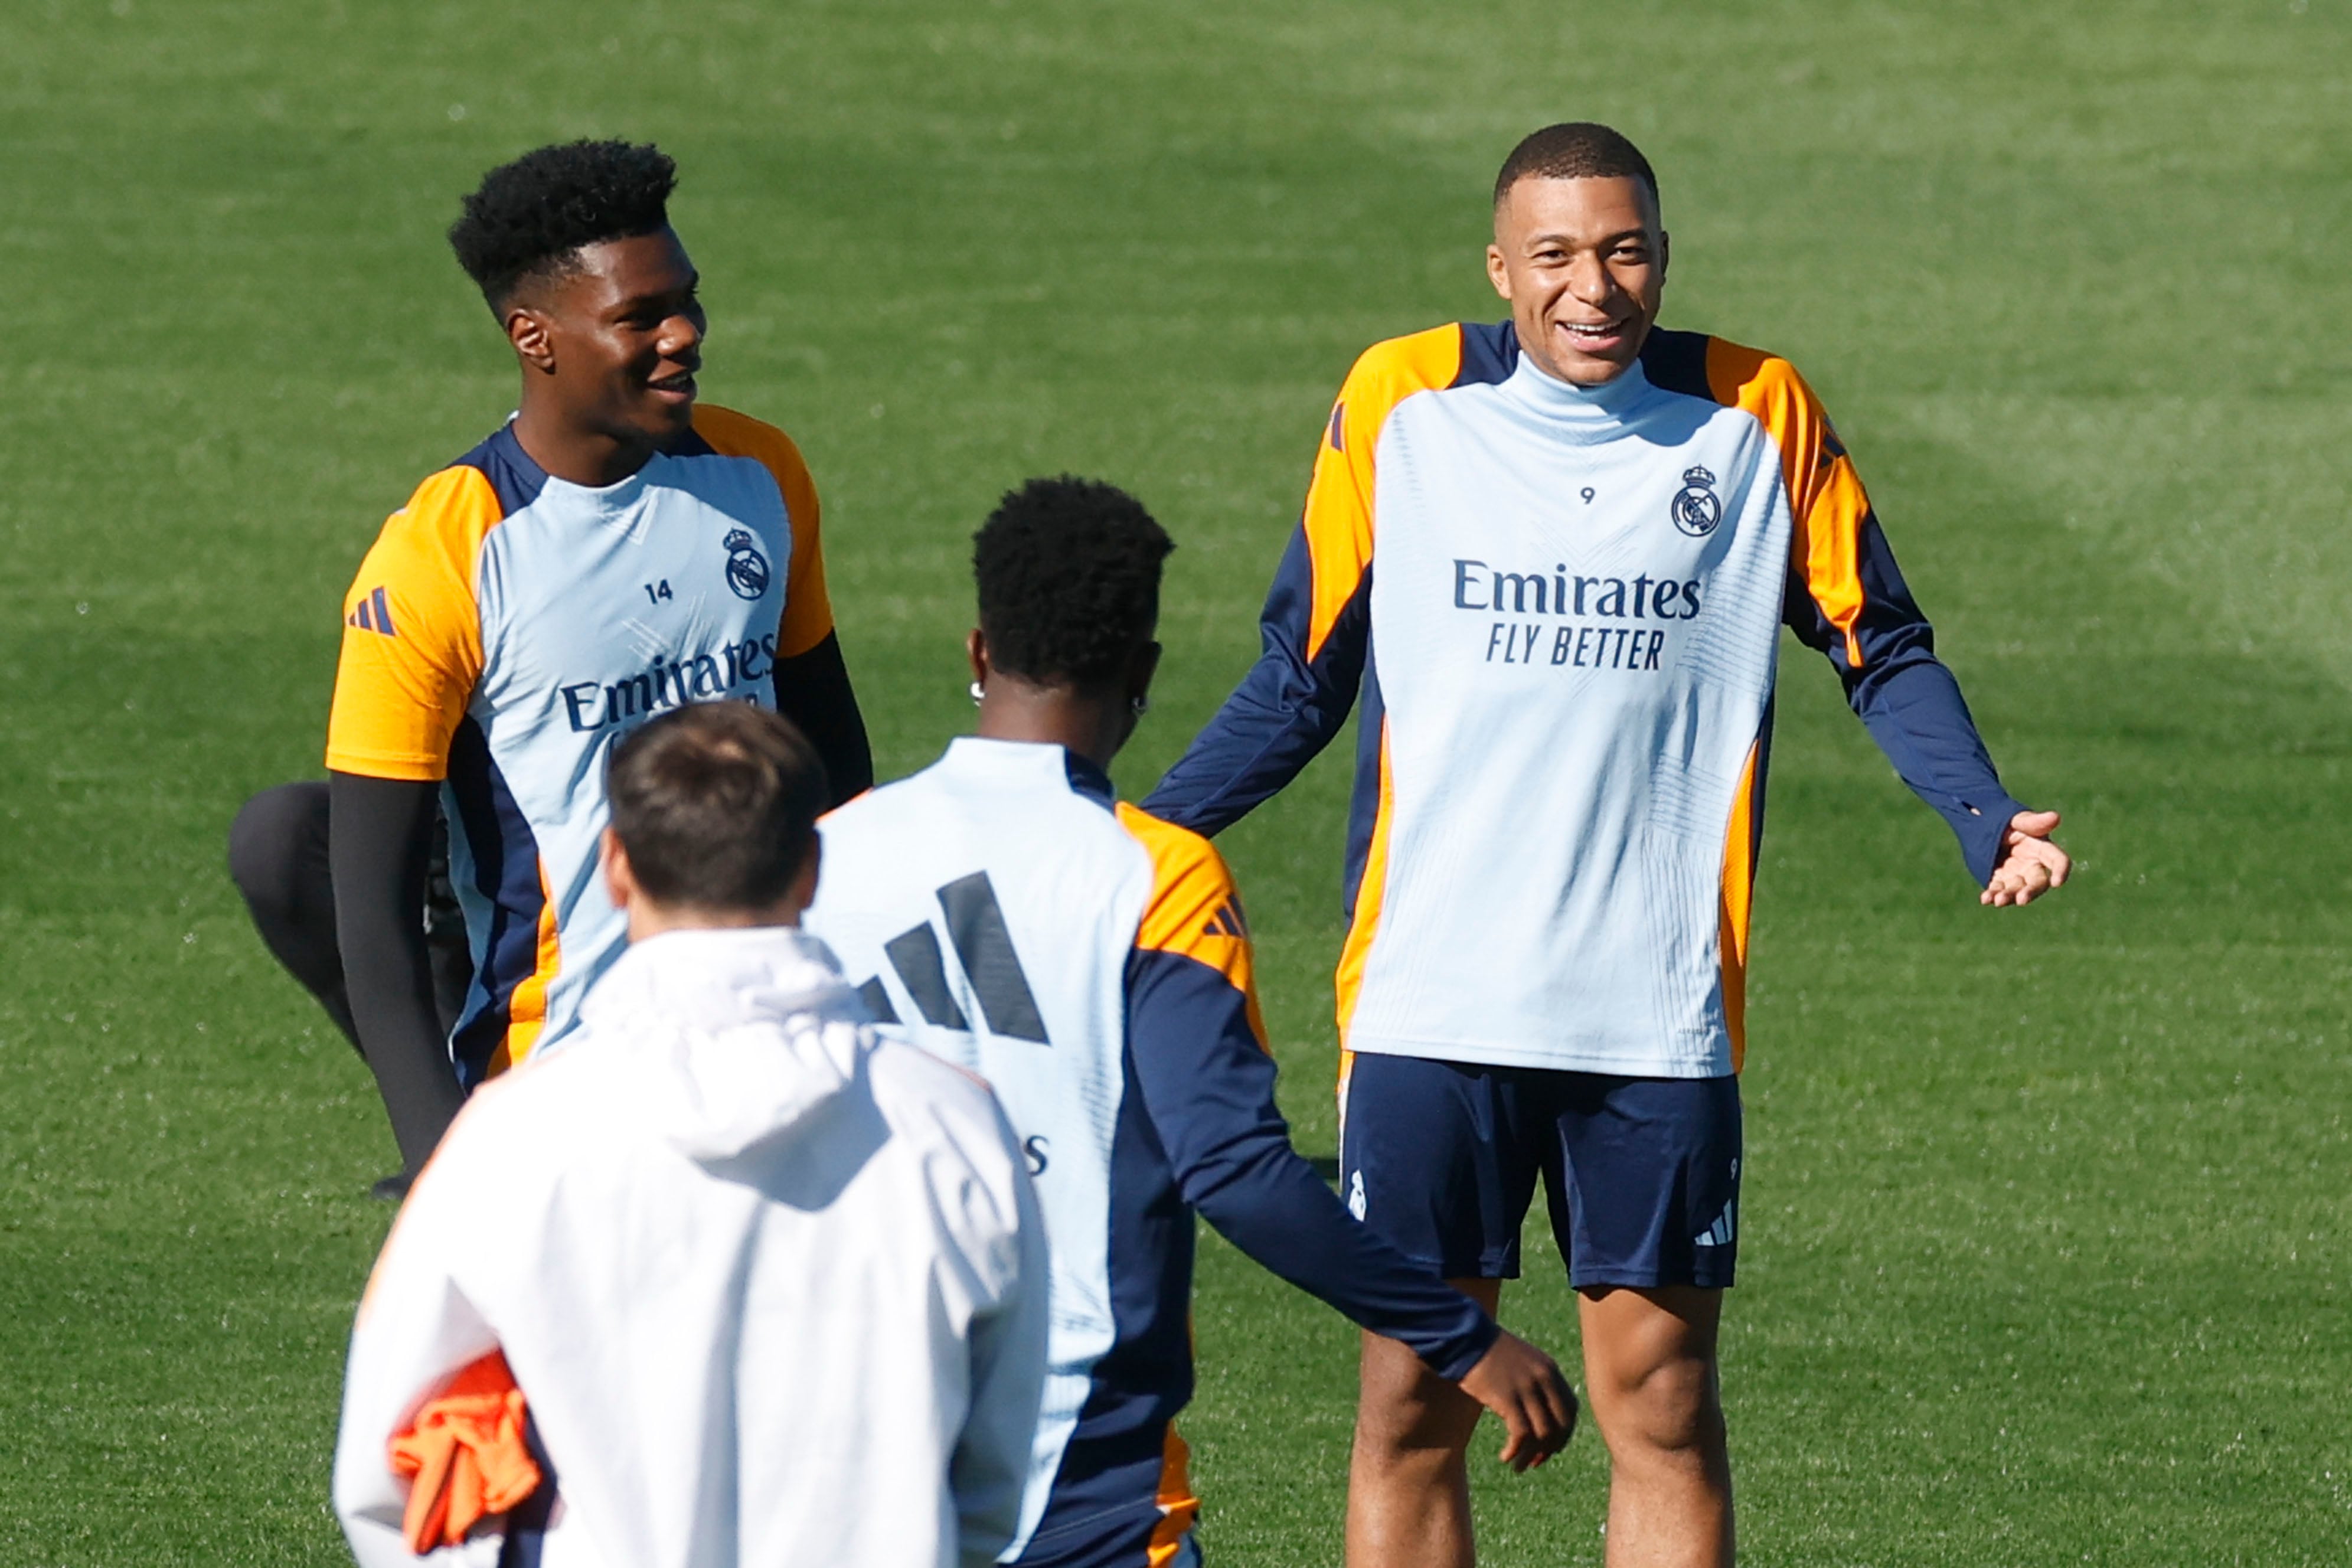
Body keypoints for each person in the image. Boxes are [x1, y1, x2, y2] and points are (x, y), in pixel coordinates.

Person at [1140, 123, 2072, 1568]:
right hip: (1429, 1001)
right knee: (1411, 1400)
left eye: (1626, 248)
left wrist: (1976, 808)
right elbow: (1302, 671)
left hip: (1654, 1010)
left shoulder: (1755, 414)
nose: (1597, 286)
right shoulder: (1403, 401)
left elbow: (1878, 640)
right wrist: (1136, 835)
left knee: (1665, 1403)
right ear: (1501, 267)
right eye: (1559, 255)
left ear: (1662, 255)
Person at [805, 476, 1577, 1568]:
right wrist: (1463, 1339)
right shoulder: (1155, 877)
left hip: (837, 1462)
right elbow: (1235, 1168)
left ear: (980, 652)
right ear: (1146, 673)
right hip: (1083, 1487)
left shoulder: (827, 859)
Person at [227, 139, 873, 1195]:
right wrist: (449, 1174)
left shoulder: (763, 474)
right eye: (640, 317)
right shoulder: (443, 555)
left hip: (778, 1046)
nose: (684, 336)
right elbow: (373, 915)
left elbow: (841, 783)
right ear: (536, 337)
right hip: (560, 1084)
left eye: (687, 301)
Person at [334, 702, 1046, 1568]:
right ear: (813, 867)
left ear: (616, 867)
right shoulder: (954, 1126)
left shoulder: (511, 1138)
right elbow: (997, 1475)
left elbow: (389, 1472)